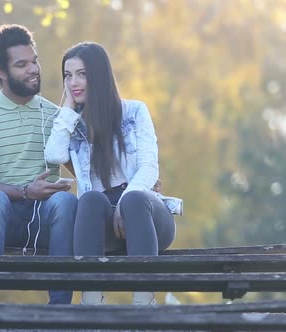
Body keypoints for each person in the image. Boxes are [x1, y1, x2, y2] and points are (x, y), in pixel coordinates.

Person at [45, 42, 183, 305]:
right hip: (103, 224)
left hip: (147, 218)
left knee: (133, 201)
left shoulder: (135, 111)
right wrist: (67, 108)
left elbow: (149, 167)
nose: (74, 82)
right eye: (68, 75)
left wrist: (125, 200)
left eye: (82, 74)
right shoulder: (74, 125)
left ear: (99, 75)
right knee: (89, 200)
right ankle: (92, 301)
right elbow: (54, 155)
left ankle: (144, 301)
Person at [0, 24, 78, 304]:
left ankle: (61, 310)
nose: (34, 69)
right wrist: (27, 191)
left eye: (35, 60)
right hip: (0, 220)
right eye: (22, 64)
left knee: (66, 202)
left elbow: (86, 171)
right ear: (0, 71)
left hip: (47, 219)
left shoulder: (56, 116)